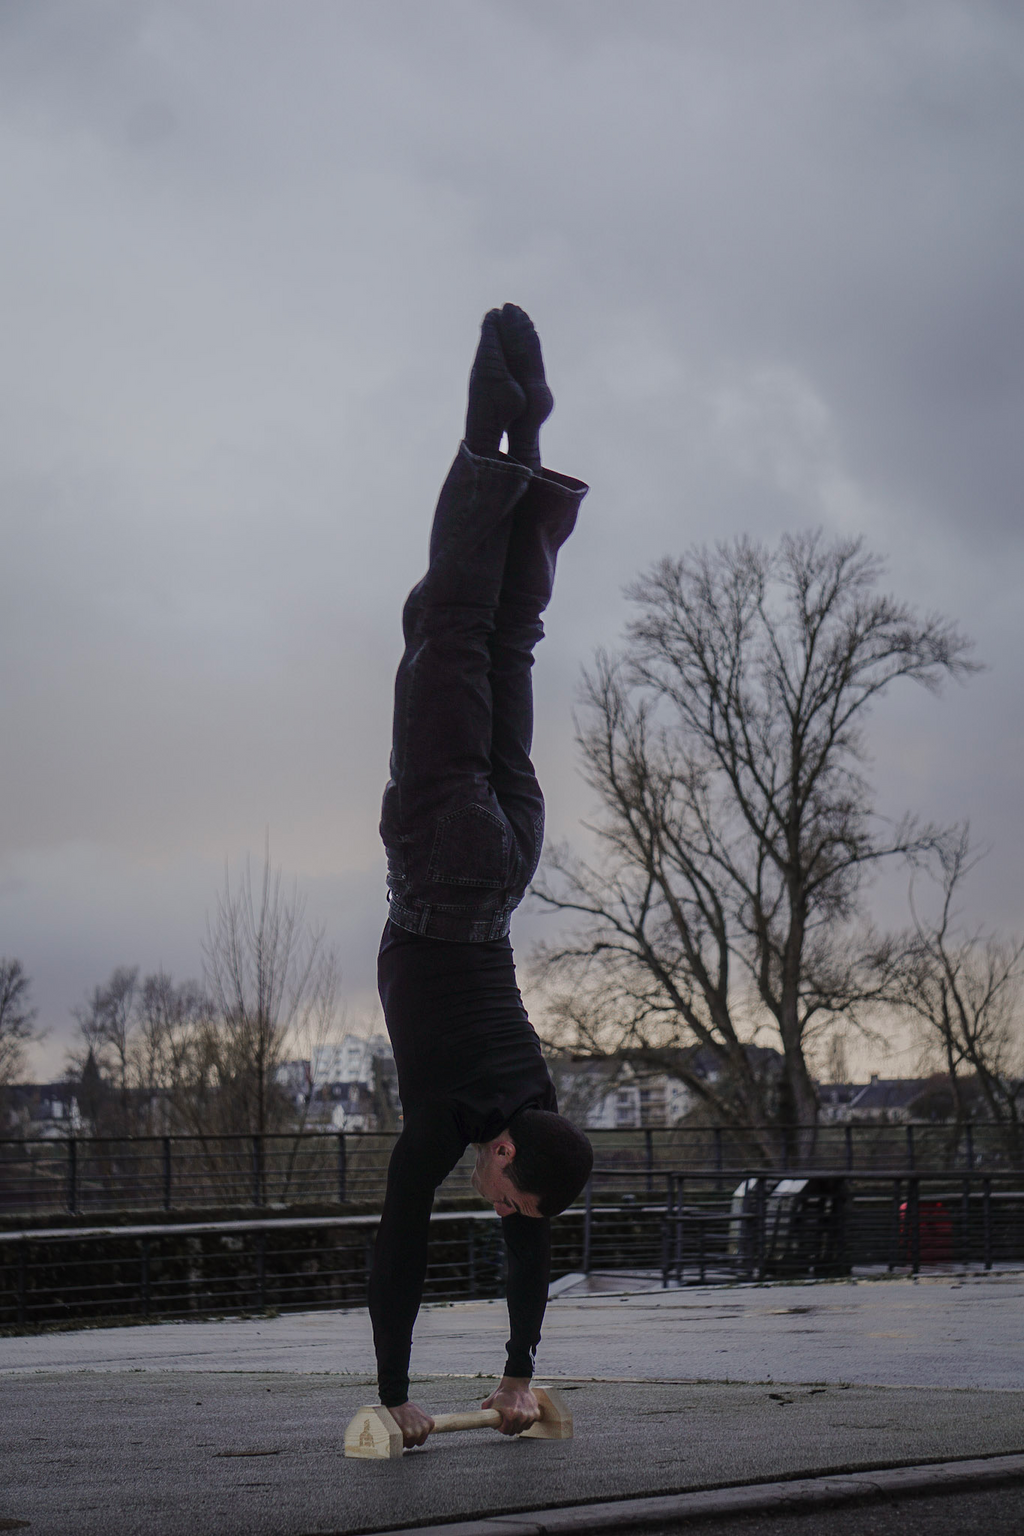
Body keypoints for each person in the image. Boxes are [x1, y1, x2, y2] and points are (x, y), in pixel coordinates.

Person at [368, 304, 594, 1450]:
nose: (499, 1207)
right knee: (446, 629)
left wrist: (517, 1378)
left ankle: (527, 458)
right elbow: (397, 1243)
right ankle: (484, 434)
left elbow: (531, 1240)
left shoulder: (539, 1106)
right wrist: (396, 1391)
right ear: (505, 1149)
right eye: (504, 1189)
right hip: (446, 866)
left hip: (511, 861)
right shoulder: (444, 1122)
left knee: (505, 648)